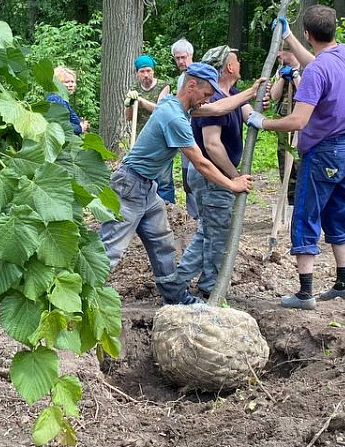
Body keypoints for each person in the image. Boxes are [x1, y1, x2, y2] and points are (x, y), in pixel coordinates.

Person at [99, 62, 260, 305]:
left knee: (163, 245)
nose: (206, 100)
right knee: (111, 249)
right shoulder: (174, 117)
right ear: (192, 86)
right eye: (205, 94)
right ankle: (77, 298)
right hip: (129, 186)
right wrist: (232, 183)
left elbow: (217, 109)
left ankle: (175, 298)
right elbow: (202, 163)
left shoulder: (177, 105)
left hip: (147, 188)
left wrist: (250, 92)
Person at [247, 5, 345, 311]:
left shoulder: (314, 74)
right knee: (339, 210)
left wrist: (263, 122)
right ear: (334, 29)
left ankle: (305, 293)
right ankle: (343, 283)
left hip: (324, 150)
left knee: (306, 215)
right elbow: (317, 62)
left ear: (308, 34)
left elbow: (297, 121)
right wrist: (288, 36)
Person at [175, 46, 252, 299]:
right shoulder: (209, 99)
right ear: (229, 66)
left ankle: (181, 281)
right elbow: (212, 145)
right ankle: (209, 288)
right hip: (213, 177)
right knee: (217, 234)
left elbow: (250, 113)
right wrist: (233, 176)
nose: (240, 63)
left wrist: (265, 91)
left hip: (216, 176)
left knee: (209, 231)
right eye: (237, 60)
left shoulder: (231, 95)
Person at [124, 55, 173, 202]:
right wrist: (129, 104)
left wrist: (141, 100)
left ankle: (167, 209)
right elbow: (128, 117)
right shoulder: (134, 88)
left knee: (164, 179)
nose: (146, 75)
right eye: (142, 72)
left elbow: (161, 109)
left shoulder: (163, 86)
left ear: (153, 71)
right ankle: (146, 207)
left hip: (162, 138)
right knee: (144, 176)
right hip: (141, 138)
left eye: (148, 71)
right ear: (137, 73)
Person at [267, 46, 302, 206]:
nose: (278, 54)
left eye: (282, 52)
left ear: (292, 53)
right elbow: (274, 96)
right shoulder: (280, 70)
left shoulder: (306, 68)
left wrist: (295, 76)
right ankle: (289, 202)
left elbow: (305, 92)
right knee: (284, 159)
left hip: (301, 122)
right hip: (283, 121)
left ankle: (301, 200)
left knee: (298, 161)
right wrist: (281, 77)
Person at [170, 38, 198, 219]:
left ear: (191, 56)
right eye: (177, 58)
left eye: (183, 57)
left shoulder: (198, 75)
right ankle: (192, 216)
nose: (181, 61)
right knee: (187, 177)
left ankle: (201, 217)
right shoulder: (182, 78)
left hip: (197, 130)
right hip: (184, 130)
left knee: (198, 174)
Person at [46, 66, 89, 135]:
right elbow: (60, 125)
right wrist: (80, 128)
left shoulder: (63, 99)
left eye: (72, 82)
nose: (71, 85)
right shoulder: (55, 99)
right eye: (66, 82)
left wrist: (81, 124)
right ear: (57, 84)